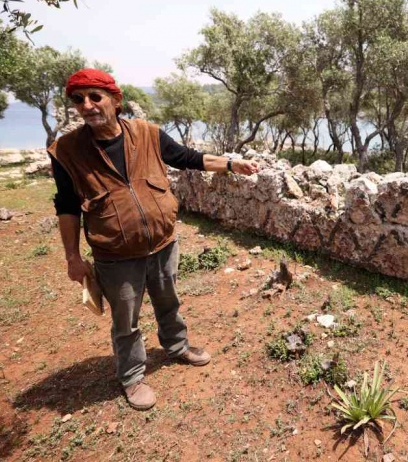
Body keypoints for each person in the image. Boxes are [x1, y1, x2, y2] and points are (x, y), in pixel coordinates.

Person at [47, 69, 259, 410]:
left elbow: (188, 157)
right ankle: (131, 376)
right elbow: (67, 206)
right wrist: (73, 257)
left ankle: (177, 347)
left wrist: (233, 165)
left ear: (115, 100)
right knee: (125, 319)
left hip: (163, 244)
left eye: (94, 97)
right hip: (114, 255)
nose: (87, 105)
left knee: (168, 301)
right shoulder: (67, 151)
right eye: (78, 99)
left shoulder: (147, 133)